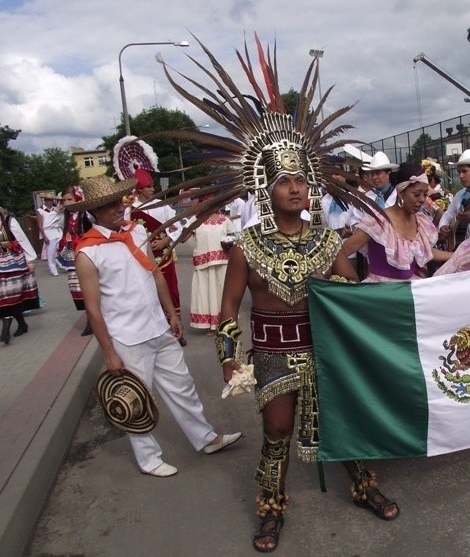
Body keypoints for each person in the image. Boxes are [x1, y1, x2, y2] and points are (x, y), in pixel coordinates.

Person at [152, 37, 399, 552]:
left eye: (301, 182)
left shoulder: (327, 240)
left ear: (311, 188)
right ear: (266, 187)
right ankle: (270, 508)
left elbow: (352, 294)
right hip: (271, 350)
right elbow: (227, 312)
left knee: (340, 419)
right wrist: (226, 360)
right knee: (278, 429)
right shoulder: (244, 245)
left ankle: (363, 485)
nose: (295, 189)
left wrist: (351, 280)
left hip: (324, 346)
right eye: (284, 181)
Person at [71, 175, 241, 477]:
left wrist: (172, 314)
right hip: (127, 337)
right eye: (109, 205)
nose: (117, 208)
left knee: (183, 386)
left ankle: (206, 438)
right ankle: (148, 459)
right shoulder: (87, 252)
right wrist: (109, 351)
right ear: (94, 212)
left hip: (157, 328)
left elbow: (156, 274)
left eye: (118, 201)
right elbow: (93, 310)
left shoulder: (136, 233)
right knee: (137, 398)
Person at [342, 163, 451, 281]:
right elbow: (340, 253)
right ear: (400, 193)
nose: (422, 200)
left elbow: (425, 251)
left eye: (425, 194)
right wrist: (352, 282)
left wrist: (458, 254)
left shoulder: (420, 221)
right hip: (381, 292)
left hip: (409, 290)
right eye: (416, 194)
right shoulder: (378, 221)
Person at [127, 168, 187, 347]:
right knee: (150, 294)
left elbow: (178, 226)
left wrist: (165, 241)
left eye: (153, 186)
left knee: (171, 292)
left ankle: (178, 330)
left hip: (164, 256)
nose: (152, 190)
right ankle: (159, 332)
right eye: (148, 187)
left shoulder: (163, 205)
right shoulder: (130, 209)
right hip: (142, 258)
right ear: (139, 190)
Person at [0, 193, 40, 343]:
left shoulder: (9, 221)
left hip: (12, 264)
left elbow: (22, 239)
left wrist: (30, 260)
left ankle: (5, 331)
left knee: (10, 296)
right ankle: (22, 324)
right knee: (2, 298)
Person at [183, 206, 235, 334]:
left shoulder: (225, 220)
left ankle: (224, 323)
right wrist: (190, 225)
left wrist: (229, 244)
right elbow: (183, 239)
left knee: (222, 292)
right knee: (206, 293)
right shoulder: (196, 220)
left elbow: (233, 238)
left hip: (222, 263)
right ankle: (211, 325)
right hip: (203, 264)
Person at [56, 185, 94, 336]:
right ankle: (90, 317)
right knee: (77, 288)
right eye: (64, 200)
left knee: (90, 285)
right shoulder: (64, 215)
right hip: (71, 254)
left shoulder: (85, 213)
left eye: (69, 199)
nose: (67, 203)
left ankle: (92, 320)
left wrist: (83, 203)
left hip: (86, 251)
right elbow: (48, 225)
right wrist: (58, 209)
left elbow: (94, 219)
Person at [36, 192, 64, 276]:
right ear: (45, 200)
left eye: (52, 200)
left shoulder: (55, 209)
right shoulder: (40, 210)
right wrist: (44, 236)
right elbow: (40, 225)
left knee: (61, 247)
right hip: (48, 231)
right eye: (49, 200)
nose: (51, 202)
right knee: (51, 251)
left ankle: (61, 263)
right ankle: (52, 268)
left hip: (57, 230)